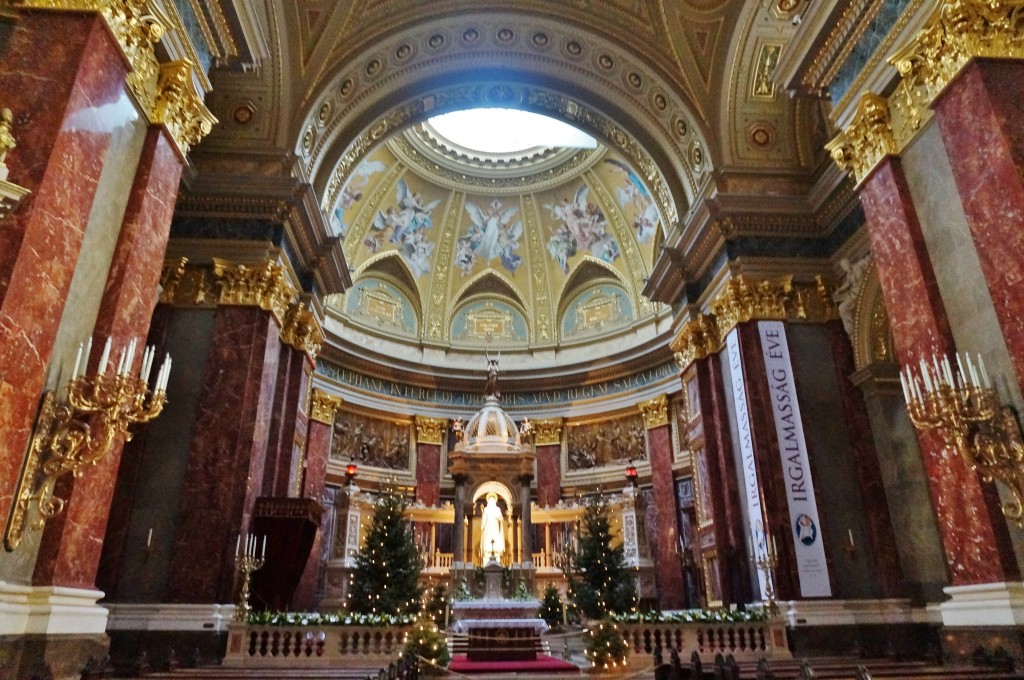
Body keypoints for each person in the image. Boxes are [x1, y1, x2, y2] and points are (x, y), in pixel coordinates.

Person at [479, 493, 505, 563]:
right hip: (488, 527)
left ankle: (496, 552)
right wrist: (482, 525)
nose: (491, 501)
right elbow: (484, 518)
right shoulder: (486, 509)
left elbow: (501, 518)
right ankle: (487, 552)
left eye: (493, 500)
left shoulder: (497, 509)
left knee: (495, 538)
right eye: (490, 500)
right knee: (488, 538)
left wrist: (499, 517)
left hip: (495, 526)